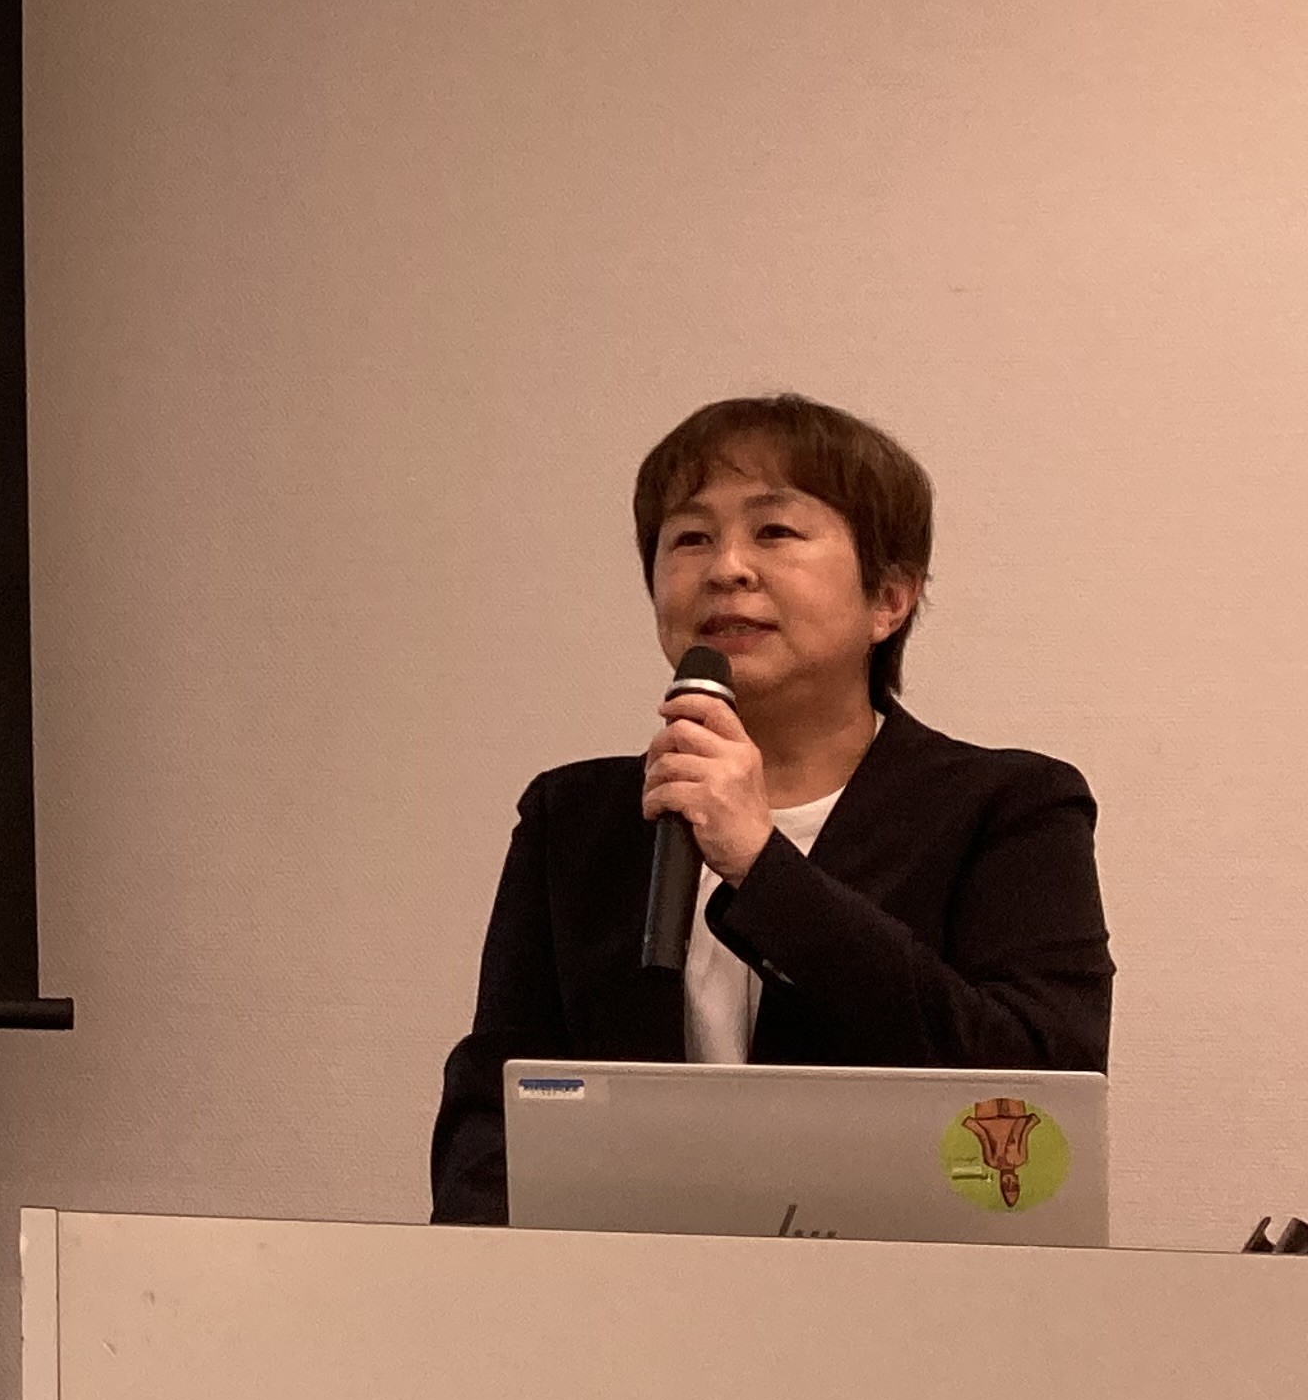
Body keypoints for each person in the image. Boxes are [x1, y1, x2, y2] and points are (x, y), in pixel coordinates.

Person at [428, 393, 1113, 1225]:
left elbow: (1038, 1095)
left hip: (914, 1286)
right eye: (690, 538)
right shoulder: (574, 819)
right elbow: (493, 1114)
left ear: (889, 599)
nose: (727, 568)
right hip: (622, 1292)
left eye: (775, 531)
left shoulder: (1009, 808)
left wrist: (763, 866)